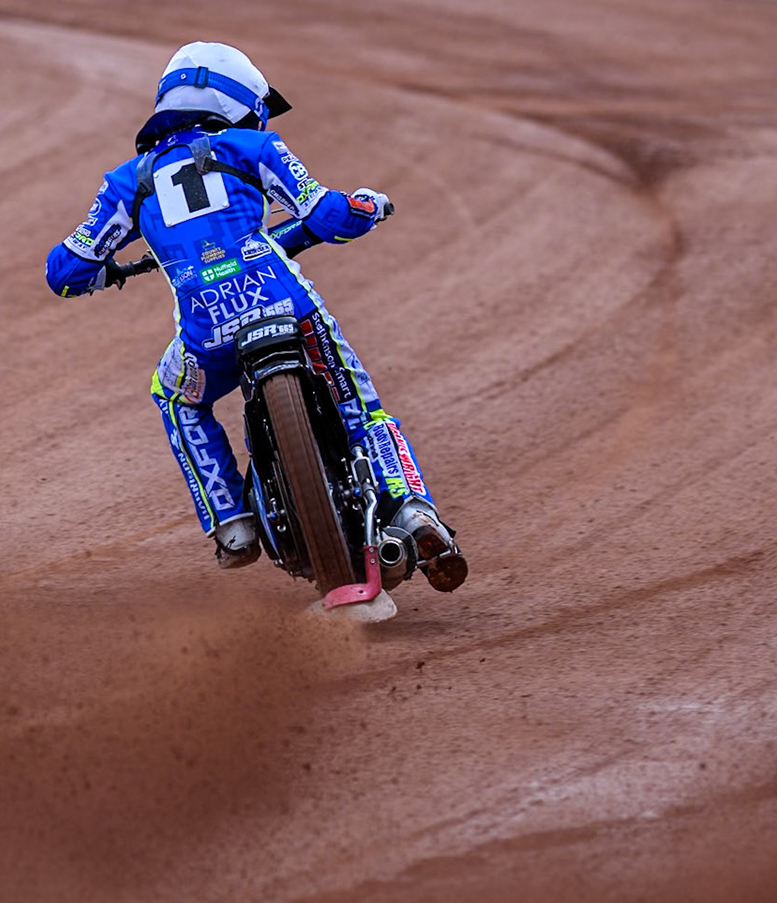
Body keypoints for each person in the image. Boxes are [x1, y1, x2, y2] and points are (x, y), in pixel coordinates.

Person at [44, 42, 466, 596]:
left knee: (174, 395)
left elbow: (65, 272)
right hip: (289, 309)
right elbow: (327, 217)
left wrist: (107, 274)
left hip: (207, 337)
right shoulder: (254, 146)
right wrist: (365, 206)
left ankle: (232, 522)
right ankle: (411, 510)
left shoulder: (129, 182)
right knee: (361, 408)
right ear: (236, 102)